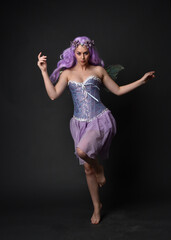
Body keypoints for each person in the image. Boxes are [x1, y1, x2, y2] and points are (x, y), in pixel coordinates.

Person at [37, 36, 155, 224]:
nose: (82, 57)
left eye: (85, 53)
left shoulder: (98, 70)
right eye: (79, 53)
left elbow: (117, 90)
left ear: (90, 52)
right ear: (73, 53)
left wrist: (141, 81)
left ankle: (99, 168)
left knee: (82, 152)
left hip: (99, 120)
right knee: (87, 169)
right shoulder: (67, 73)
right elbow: (52, 95)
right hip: (79, 123)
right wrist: (43, 71)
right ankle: (97, 207)